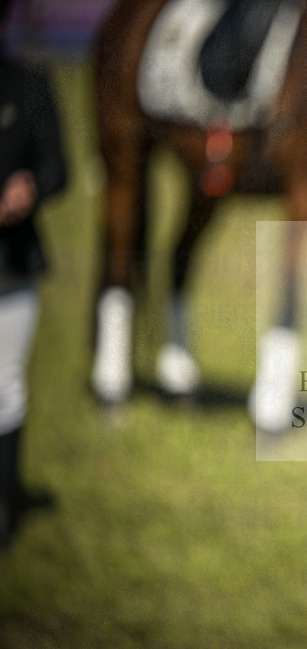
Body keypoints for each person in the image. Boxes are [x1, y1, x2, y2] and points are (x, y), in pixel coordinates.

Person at [0, 0, 67, 549]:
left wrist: (31, 188)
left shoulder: (28, 84)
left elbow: (57, 167)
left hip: (10, 262)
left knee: (5, 384)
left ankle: (3, 504)